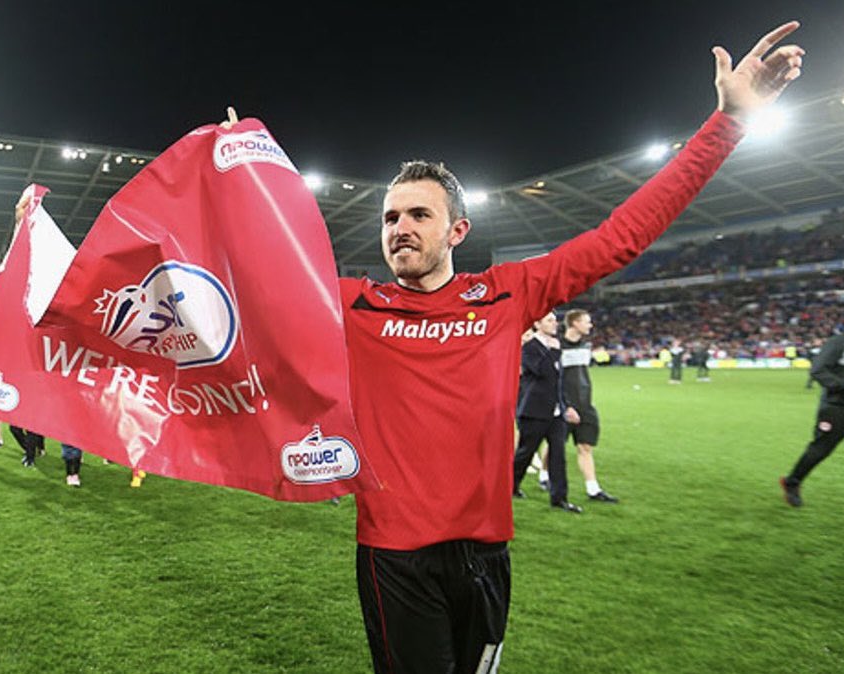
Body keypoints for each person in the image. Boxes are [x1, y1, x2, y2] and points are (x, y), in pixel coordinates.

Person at [223, 23, 801, 673]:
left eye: (417, 215)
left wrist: (725, 125)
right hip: (394, 556)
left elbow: (622, 235)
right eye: (389, 217)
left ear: (457, 230)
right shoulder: (353, 304)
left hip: (487, 554)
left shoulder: (507, 295)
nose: (400, 228)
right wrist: (243, 186)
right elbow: (254, 287)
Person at [781, 301, 844, 522]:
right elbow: (818, 370)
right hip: (837, 410)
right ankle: (792, 482)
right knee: (820, 451)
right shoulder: (838, 343)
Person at [513, 311, 582, 513]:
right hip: (534, 411)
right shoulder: (529, 348)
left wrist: (566, 405)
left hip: (555, 413)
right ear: (537, 323)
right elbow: (543, 372)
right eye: (550, 320)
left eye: (555, 320)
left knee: (558, 456)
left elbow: (558, 382)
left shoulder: (554, 345)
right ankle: (510, 486)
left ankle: (559, 499)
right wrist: (553, 352)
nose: (555, 324)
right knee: (524, 454)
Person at [561, 309, 619, 503]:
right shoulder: (557, 346)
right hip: (564, 405)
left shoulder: (586, 346)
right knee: (556, 445)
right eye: (587, 321)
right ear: (575, 323)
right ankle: (544, 475)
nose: (590, 325)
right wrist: (565, 405)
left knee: (585, 446)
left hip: (585, 404)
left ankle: (593, 489)